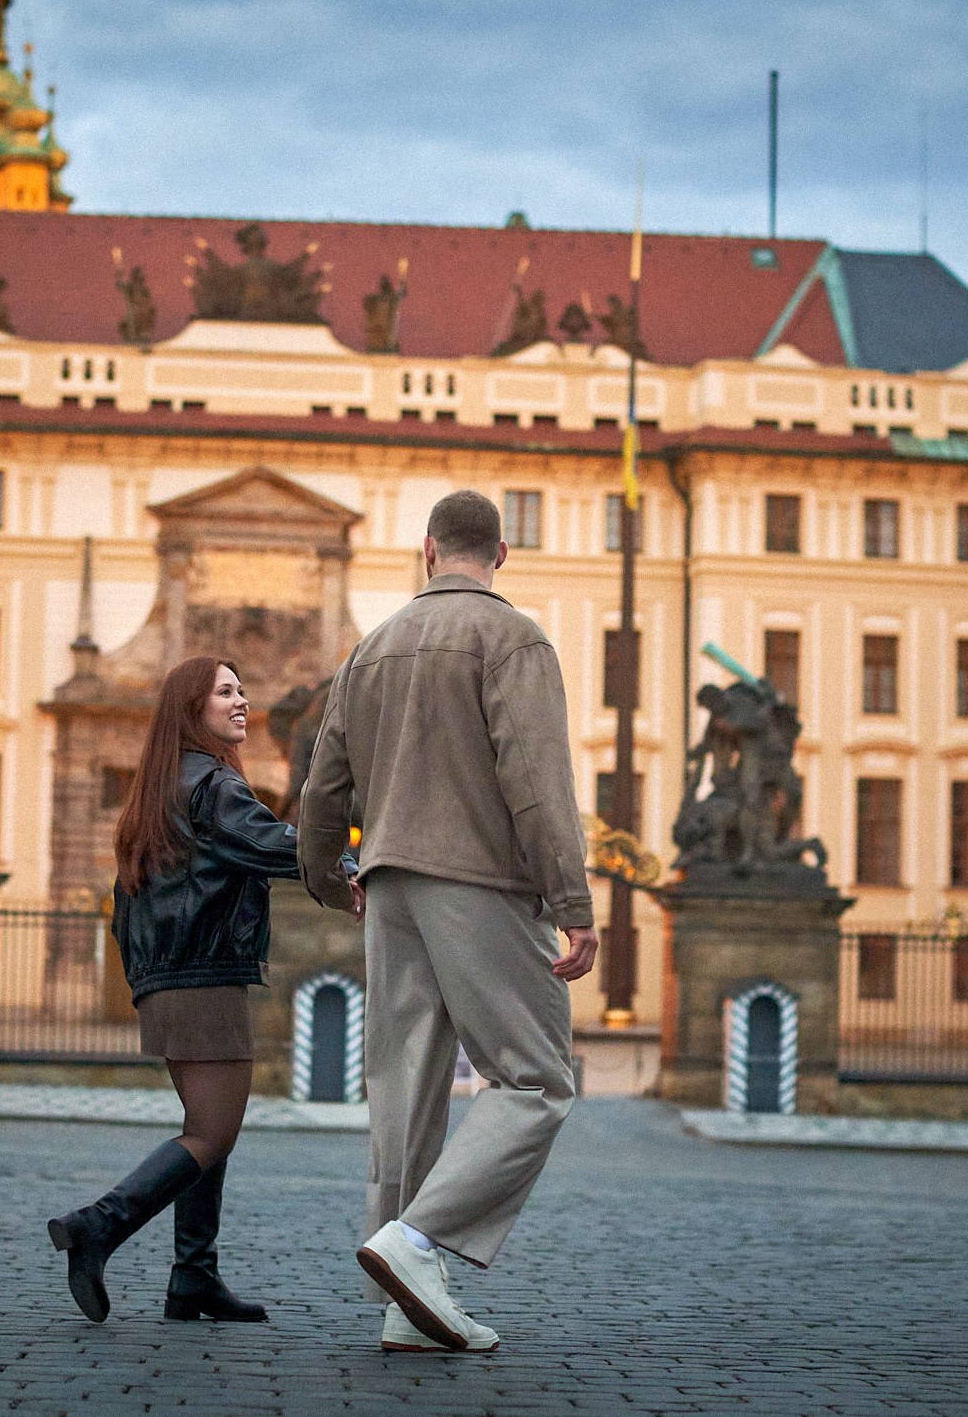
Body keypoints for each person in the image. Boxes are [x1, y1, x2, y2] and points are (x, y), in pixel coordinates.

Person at [297, 489, 598, 1355]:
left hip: (389, 887)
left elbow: (322, 790)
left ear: (428, 551)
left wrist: (330, 879)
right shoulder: (513, 638)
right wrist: (572, 903)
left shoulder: (370, 648)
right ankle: (418, 1241)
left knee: (405, 1094)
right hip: (480, 884)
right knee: (536, 1081)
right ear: (499, 554)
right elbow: (536, 784)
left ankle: (407, 1308)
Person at [48, 655, 334, 1323]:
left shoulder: (163, 786)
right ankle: (98, 1225)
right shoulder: (212, 783)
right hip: (203, 979)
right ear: (191, 709)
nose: (242, 701)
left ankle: (193, 1277)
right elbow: (274, 844)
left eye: (242, 689)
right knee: (212, 1134)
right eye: (225, 691)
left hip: (168, 979)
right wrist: (351, 864)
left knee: (205, 1130)